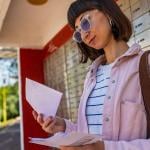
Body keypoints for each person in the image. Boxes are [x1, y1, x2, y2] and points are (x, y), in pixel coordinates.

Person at [32, 0, 150, 149]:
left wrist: (102, 148)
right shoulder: (92, 77)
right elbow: (87, 134)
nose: (84, 34)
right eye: (78, 33)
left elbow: (96, 145)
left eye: (85, 22)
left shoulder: (145, 65)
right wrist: (62, 126)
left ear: (107, 11)